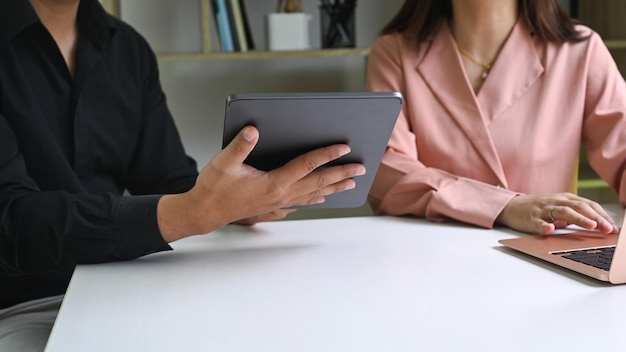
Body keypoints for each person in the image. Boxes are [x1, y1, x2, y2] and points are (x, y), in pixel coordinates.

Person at [0, 0, 366, 350]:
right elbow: (11, 221)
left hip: (125, 290)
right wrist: (194, 212)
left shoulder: (128, 49)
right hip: (24, 306)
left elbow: (168, 181)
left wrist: (240, 203)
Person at [366, 0, 626, 235]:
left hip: (548, 263)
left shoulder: (580, 50)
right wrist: (504, 206)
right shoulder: (394, 52)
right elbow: (387, 173)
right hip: (431, 262)